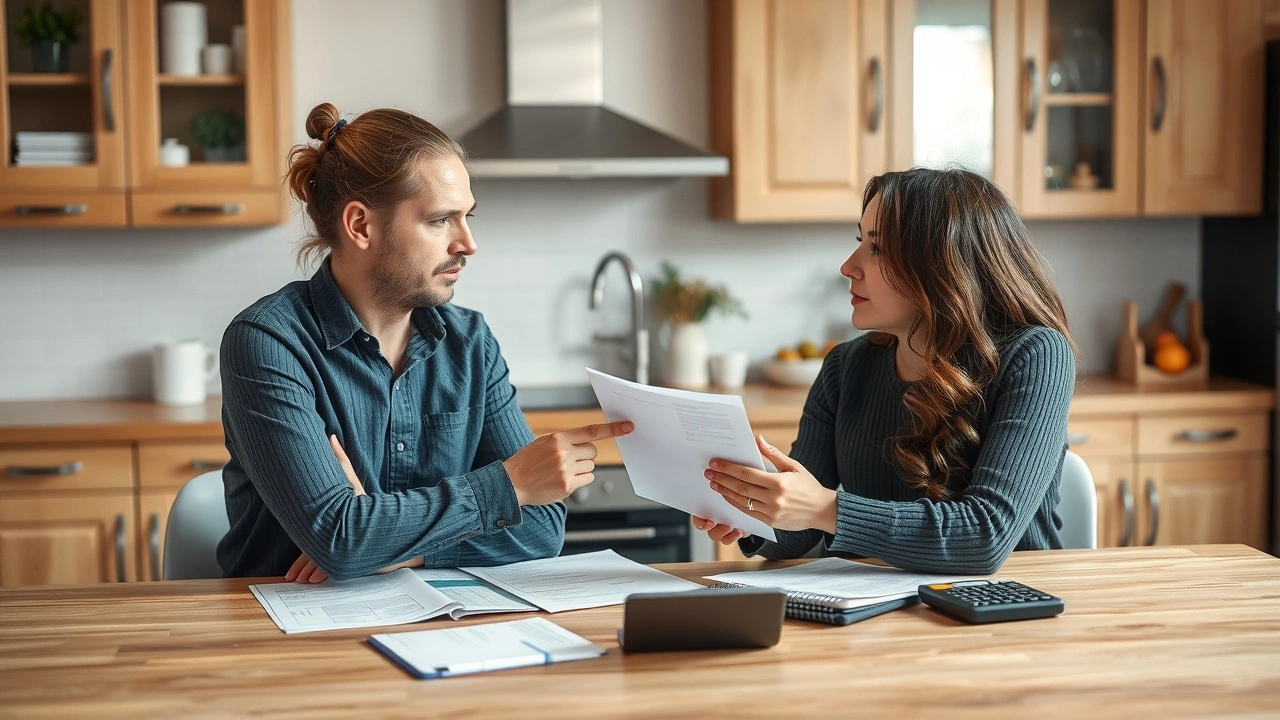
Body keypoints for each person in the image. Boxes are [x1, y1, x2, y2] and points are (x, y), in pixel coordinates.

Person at [217, 103, 631, 581]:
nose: (468, 243)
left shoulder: (471, 343)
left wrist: (392, 545)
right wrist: (509, 485)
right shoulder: (267, 343)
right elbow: (340, 538)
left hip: (433, 622)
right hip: (284, 631)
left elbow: (542, 529)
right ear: (360, 226)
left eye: (467, 217)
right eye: (440, 220)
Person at [694, 167, 1077, 575]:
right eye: (860, 241)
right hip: (874, 614)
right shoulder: (845, 367)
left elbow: (985, 537)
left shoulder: (1036, 355)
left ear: (942, 264)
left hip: (1007, 616)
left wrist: (827, 509)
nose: (848, 266)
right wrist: (750, 507)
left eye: (877, 248)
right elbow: (797, 533)